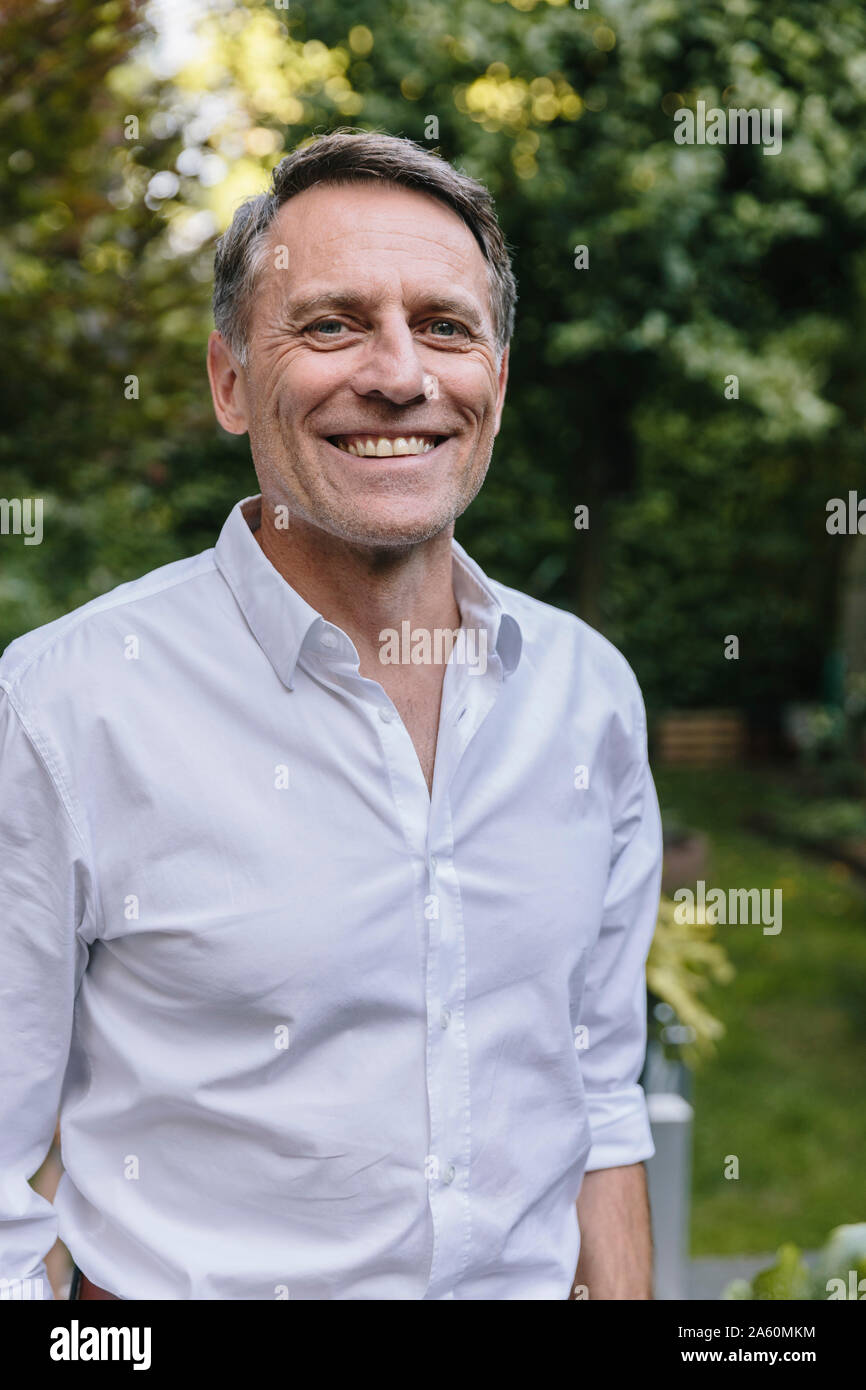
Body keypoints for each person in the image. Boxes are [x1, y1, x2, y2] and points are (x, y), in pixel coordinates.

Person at [0, 130, 662, 1301]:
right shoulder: (63, 709)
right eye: (331, 324)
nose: (400, 374)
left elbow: (598, 1096)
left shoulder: (585, 695)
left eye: (445, 327)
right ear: (227, 380)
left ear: (494, 387)